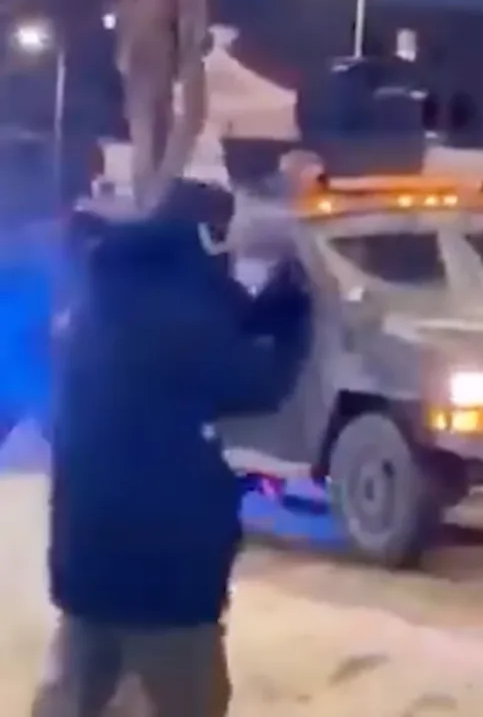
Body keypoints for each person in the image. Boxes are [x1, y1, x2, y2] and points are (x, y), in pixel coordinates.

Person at [33, 180, 311, 717]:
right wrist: (294, 324)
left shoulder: (108, 291)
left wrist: (268, 308)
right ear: (208, 237)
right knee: (189, 699)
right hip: (163, 574)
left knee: (75, 694)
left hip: (85, 559)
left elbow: (213, 332)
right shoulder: (183, 312)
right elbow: (257, 381)